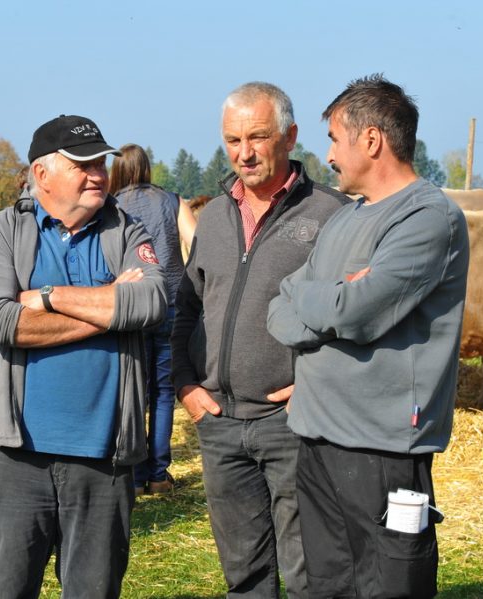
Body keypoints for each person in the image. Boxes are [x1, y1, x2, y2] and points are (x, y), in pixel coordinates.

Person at [267, 74, 470, 599]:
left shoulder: (427, 218)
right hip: (317, 434)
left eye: (335, 139)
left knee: (388, 584)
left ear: (372, 140)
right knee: (328, 584)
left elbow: (357, 313)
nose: (329, 155)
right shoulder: (345, 219)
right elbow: (279, 308)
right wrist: (334, 294)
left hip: (380, 444)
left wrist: (331, 299)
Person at [0, 114, 167, 599]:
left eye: (101, 163)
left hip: (104, 457)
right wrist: (109, 307)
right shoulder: (3, 230)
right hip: (18, 456)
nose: (98, 174)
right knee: (7, 589)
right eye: (83, 164)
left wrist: (47, 296)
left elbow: (151, 302)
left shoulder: (127, 230)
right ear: (42, 174)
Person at [171, 82, 350, 599]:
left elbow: (359, 315)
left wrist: (318, 381)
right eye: (233, 140)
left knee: (309, 568)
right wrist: (185, 385)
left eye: (257, 137)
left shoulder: (332, 215)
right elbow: (187, 307)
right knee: (243, 572)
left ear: (290, 137)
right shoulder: (214, 217)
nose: (244, 153)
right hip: (219, 424)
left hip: (294, 424)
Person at [108, 143, 196, 496]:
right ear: (146, 167)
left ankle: (132, 474)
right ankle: (158, 474)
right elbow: (198, 243)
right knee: (163, 392)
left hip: (131, 305)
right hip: (170, 302)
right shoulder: (173, 201)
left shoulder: (111, 205)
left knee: (133, 391)